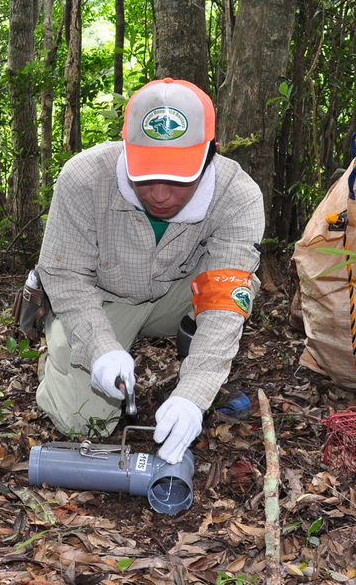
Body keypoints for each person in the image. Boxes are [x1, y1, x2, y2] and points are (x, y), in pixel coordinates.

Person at [35, 77, 265, 464]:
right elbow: (66, 276)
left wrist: (194, 395)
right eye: (147, 175)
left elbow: (225, 299)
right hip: (103, 295)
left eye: (177, 178)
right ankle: (61, 349)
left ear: (210, 155)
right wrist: (102, 349)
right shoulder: (84, 179)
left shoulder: (237, 196)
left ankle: (202, 372)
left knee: (239, 286)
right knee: (78, 420)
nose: (160, 195)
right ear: (127, 150)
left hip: (176, 293)